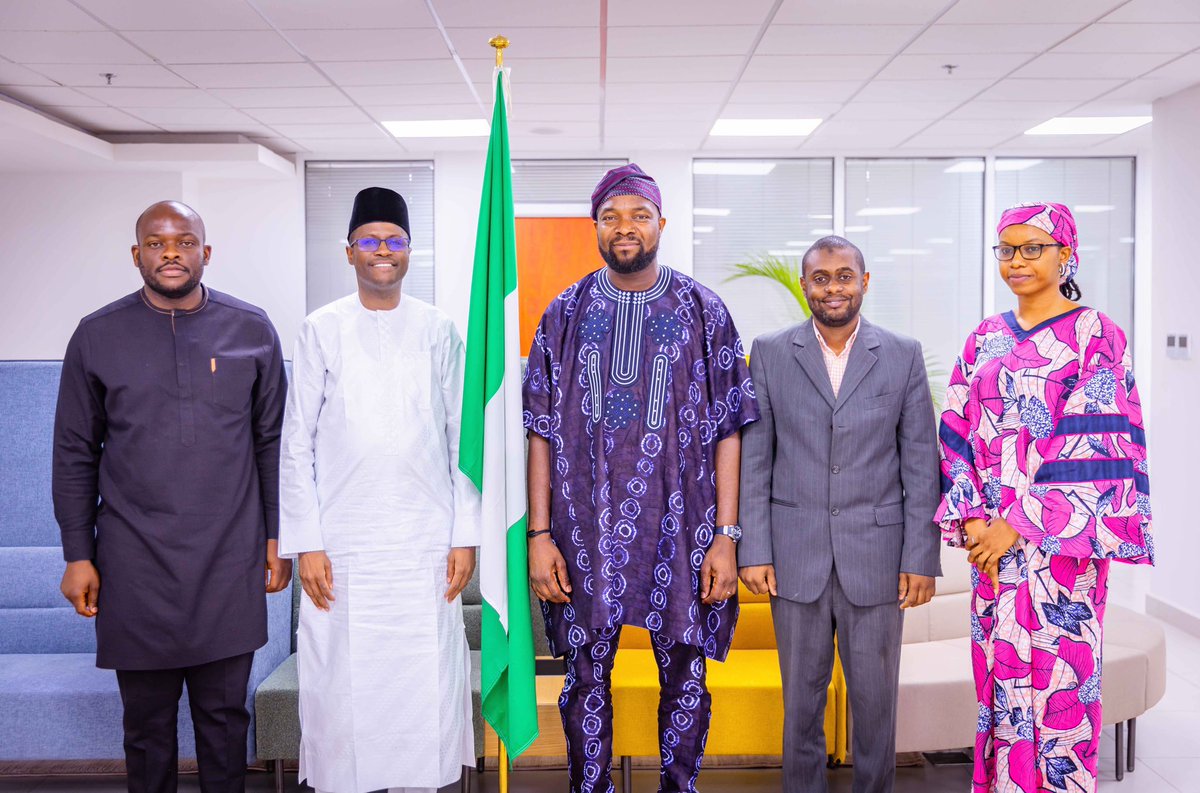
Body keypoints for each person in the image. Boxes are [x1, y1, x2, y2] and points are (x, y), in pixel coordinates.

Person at [522, 163, 758, 793]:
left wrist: (727, 536)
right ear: (594, 226)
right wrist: (538, 535)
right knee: (585, 681)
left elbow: (730, 426)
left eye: (639, 216)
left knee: (685, 679)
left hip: (683, 531)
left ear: (662, 223)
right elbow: (539, 429)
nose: (625, 229)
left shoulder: (705, 312)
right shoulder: (563, 314)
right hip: (583, 533)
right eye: (611, 217)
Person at [52, 201, 290, 793]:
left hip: (228, 559)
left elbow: (274, 445)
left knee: (225, 723)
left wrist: (277, 536)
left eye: (185, 242)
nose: (171, 254)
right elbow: (75, 452)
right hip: (133, 565)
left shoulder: (252, 328)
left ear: (206, 253)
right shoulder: (96, 335)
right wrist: (78, 554)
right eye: (156, 244)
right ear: (137, 256)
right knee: (147, 728)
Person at [936, 203, 1154, 793]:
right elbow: (956, 426)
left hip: (1063, 554)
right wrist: (978, 517)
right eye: (1006, 249)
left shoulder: (1097, 335)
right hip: (992, 552)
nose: (1017, 261)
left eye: (1033, 248)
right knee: (999, 685)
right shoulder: (984, 337)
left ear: (1066, 254)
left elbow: (1099, 439)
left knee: (1062, 681)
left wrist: (1020, 522)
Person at [278, 186, 480, 793]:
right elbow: (296, 444)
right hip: (343, 549)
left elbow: (460, 441)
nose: (382, 251)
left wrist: (464, 536)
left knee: (423, 694)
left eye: (394, 241)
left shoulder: (439, 330)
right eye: (370, 240)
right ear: (349, 252)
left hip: (424, 547)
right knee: (344, 697)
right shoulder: (320, 330)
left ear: (411, 252)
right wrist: (306, 543)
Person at [738, 236, 942, 793]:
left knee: (876, 706)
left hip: (876, 560)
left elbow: (922, 463)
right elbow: (756, 459)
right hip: (793, 557)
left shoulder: (901, 353)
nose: (834, 287)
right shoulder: (772, 351)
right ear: (804, 285)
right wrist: (753, 548)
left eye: (844, 276)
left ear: (865, 282)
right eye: (821, 278)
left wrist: (920, 557)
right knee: (801, 703)